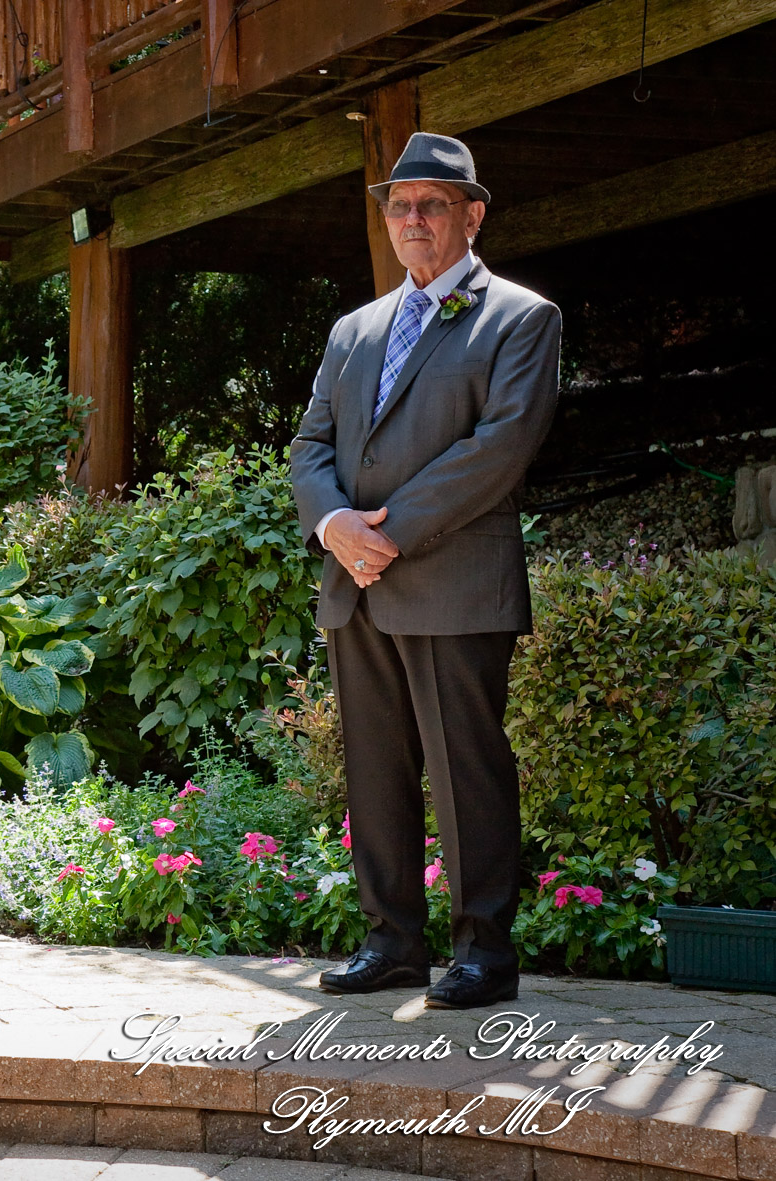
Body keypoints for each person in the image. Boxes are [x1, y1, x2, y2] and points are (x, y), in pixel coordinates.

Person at [288, 132, 561, 1010]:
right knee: (373, 768)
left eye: (431, 204)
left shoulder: (520, 318)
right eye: (400, 205)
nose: (412, 219)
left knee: (465, 768)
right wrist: (334, 524)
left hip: (454, 583)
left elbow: (500, 449)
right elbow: (311, 445)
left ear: (471, 215)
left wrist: (387, 533)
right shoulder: (354, 328)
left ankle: (485, 951)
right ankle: (392, 942)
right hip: (355, 585)